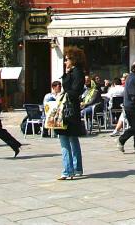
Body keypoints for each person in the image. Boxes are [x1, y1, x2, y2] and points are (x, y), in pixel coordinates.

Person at [55, 46, 85, 178]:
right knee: (73, 139)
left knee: (65, 140)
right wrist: (67, 73)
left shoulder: (76, 73)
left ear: (73, 59)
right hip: (72, 110)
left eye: (66, 59)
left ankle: (68, 170)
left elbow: (74, 91)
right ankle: (77, 168)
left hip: (68, 111)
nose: (65, 62)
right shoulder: (74, 72)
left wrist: (63, 94)